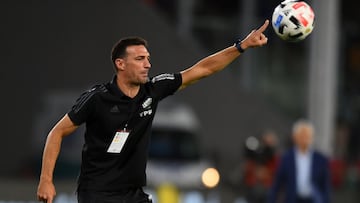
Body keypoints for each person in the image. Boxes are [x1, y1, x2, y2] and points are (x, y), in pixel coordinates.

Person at [36, 20, 269, 203]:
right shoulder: (97, 98)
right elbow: (57, 133)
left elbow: (203, 69)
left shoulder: (153, 90)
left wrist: (241, 46)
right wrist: (46, 180)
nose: (148, 64)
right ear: (120, 64)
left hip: (134, 194)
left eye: (148, 58)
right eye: (139, 59)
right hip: (98, 194)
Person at [267, 119, 331, 203]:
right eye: (301, 135)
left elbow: (325, 187)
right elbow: (277, 184)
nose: (304, 139)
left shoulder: (320, 159)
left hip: (313, 199)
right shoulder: (286, 158)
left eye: (307, 135)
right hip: (293, 199)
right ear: (295, 137)